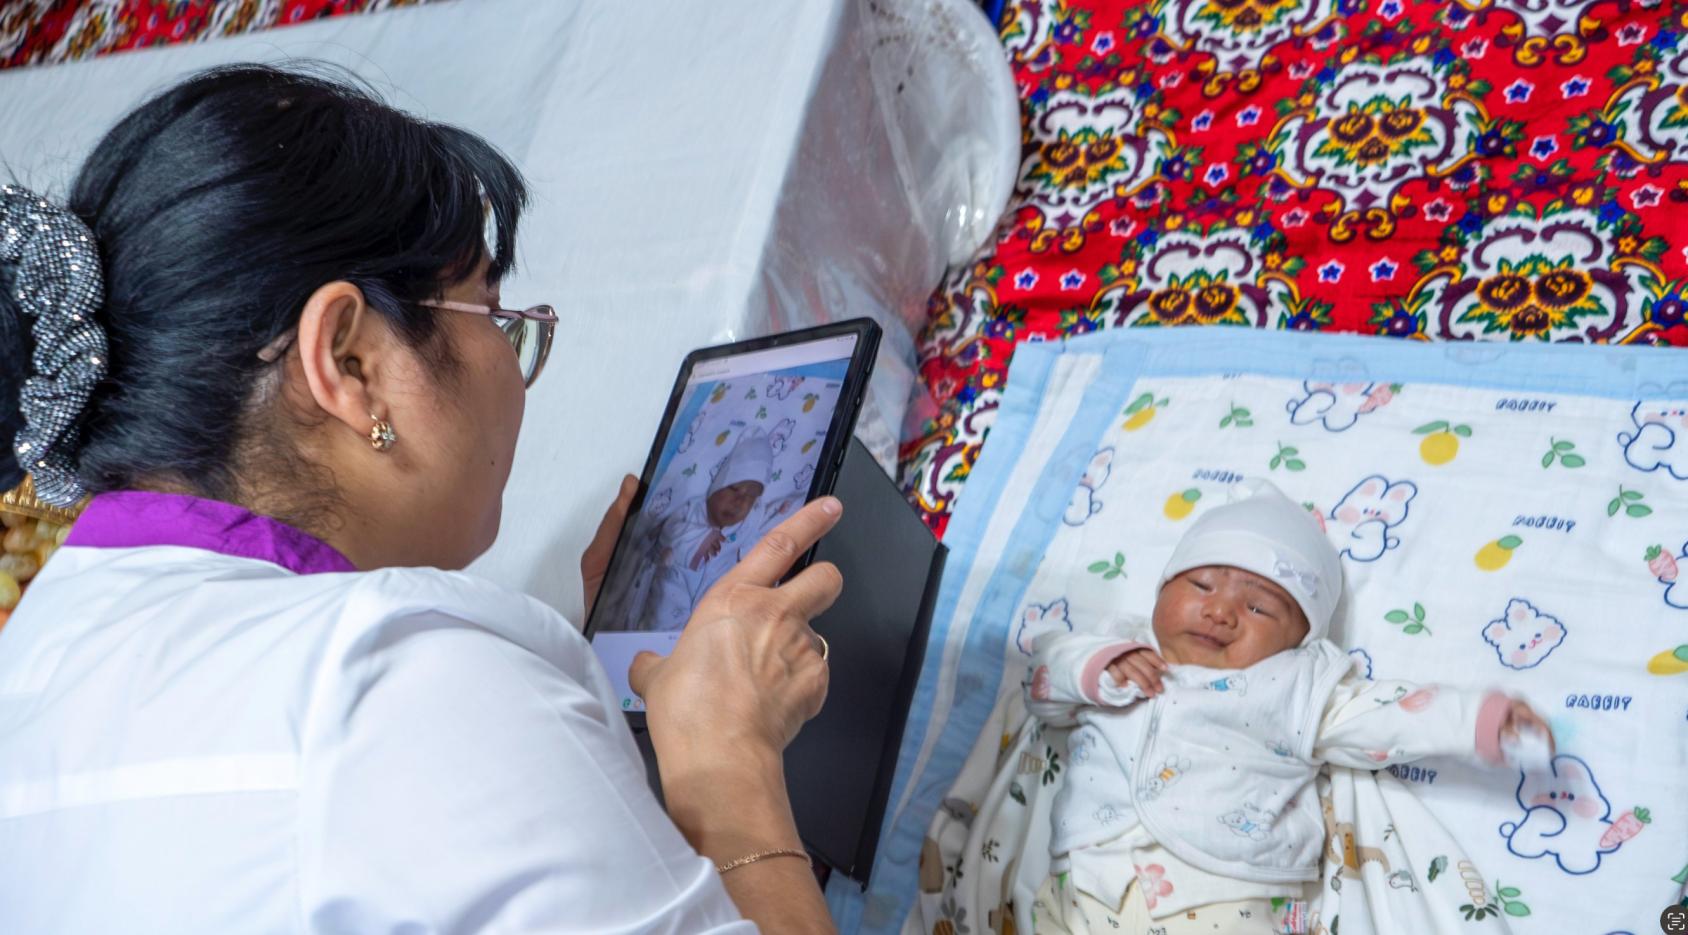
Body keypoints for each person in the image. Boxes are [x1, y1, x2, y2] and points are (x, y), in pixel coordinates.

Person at [0, 64, 840, 934]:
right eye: (495, 314)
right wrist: (725, 765)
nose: (516, 370)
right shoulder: (408, 686)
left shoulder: (30, 661)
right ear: (352, 363)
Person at [1023, 480, 1552, 934]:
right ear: (1161, 590)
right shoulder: (1116, 645)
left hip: (1227, 893)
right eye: (1201, 584)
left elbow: (1387, 713)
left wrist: (1479, 720)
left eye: (1258, 608)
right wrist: (1094, 670)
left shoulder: (1294, 684)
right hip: (1086, 883)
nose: (1221, 611)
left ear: (1298, 638)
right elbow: (1042, 685)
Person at [641, 430, 800, 631]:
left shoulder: (750, 523)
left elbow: (782, 515)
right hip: (671, 604)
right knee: (663, 603)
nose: (740, 501)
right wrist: (698, 539)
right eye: (734, 488)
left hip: (713, 613)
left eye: (751, 496)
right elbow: (666, 534)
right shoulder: (691, 511)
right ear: (718, 483)